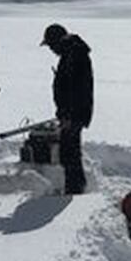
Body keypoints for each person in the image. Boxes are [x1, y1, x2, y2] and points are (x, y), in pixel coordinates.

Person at [41, 23, 93, 196]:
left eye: (50, 45)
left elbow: (76, 89)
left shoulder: (73, 54)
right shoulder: (72, 52)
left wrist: (68, 115)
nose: (51, 50)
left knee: (69, 154)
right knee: (70, 152)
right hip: (75, 113)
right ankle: (76, 188)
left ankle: (75, 191)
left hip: (74, 114)